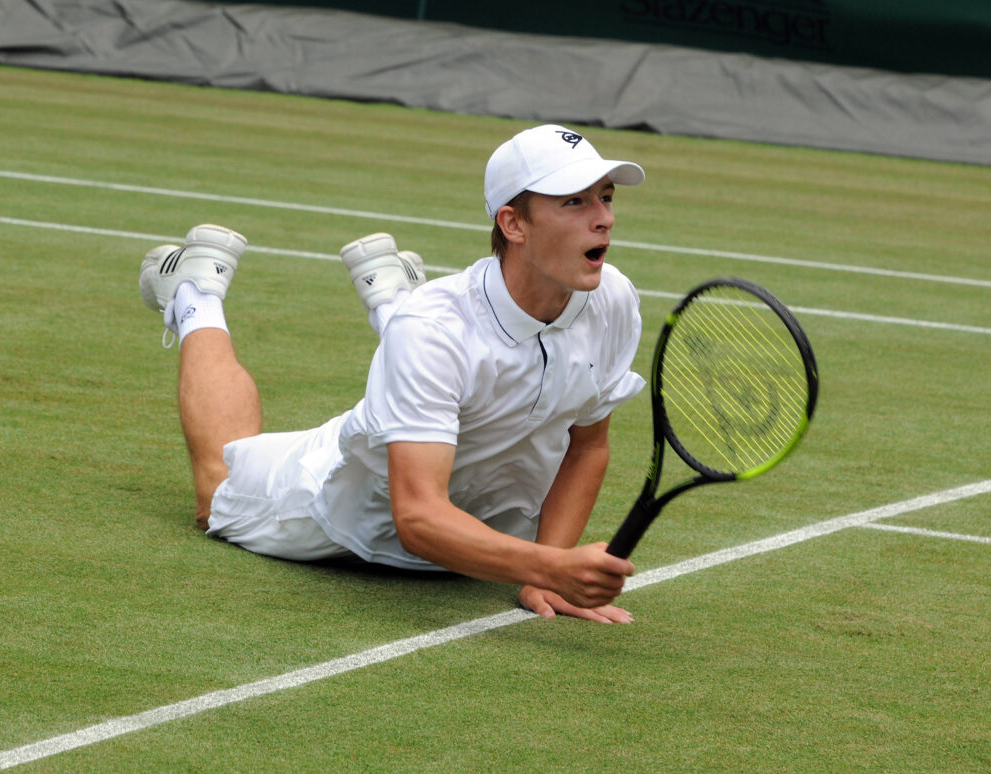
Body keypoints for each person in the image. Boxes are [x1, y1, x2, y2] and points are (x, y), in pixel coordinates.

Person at [138, 124, 647, 623]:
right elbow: (418, 519)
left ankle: (390, 297)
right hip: (347, 517)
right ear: (514, 225)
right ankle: (196, 293)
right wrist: (549, 565)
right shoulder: (432, 330)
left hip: (485, 525)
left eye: (605, 198)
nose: (604, 218)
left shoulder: (613, 300)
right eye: (574, 202)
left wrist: (546, 573)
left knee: (427, 342)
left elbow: (587, 446)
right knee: (217, 489)